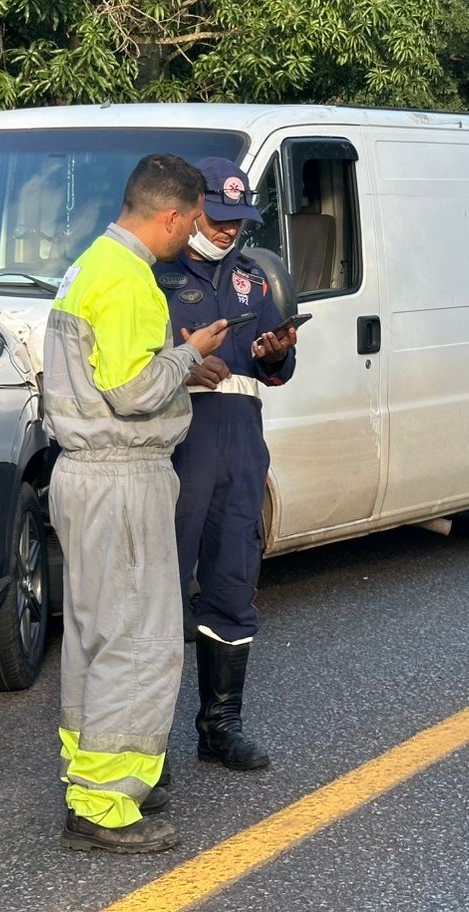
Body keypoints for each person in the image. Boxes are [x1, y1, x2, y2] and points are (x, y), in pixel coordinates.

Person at [41, 154, 231, 855]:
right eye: (193, 224)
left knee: (96, 634)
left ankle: (92, 775)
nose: (193, 238)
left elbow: (104, 376)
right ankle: (105, 804)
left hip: (84, 473)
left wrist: (174, 363)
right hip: (121, 474)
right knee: (138, 641)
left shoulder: (90, 263)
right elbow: (131, 391)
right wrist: (188, 356)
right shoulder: (131, 282)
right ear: (173, 215)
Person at [153, 158, 298, 773]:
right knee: (160, 594)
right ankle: (141, 741)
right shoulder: (153, 276)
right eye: (217, 219)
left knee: (233, 586)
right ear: (189, 209)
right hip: (181, 445)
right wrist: (184, 362)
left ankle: (220, 725)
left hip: (240, 446)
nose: (227, 232)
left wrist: (277, 353)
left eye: (238, 222)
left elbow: (277, 370)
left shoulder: (251, 280)